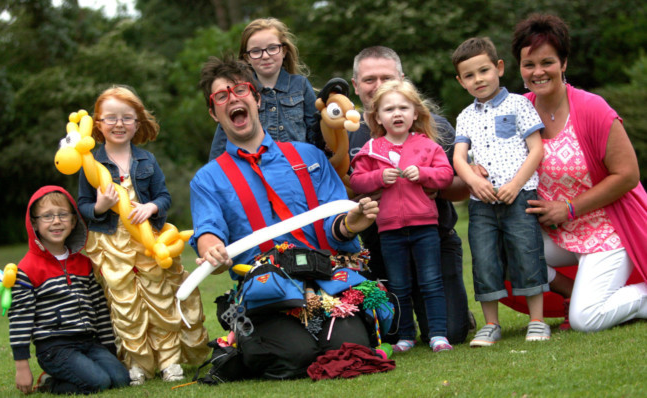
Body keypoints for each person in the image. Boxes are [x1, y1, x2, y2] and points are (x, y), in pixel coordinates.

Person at [190, 54, 380, 379]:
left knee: (351, 354)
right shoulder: (207, 179)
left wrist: (350, 225)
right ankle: (240, 341)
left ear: (256, 97)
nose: (233, 98)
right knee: (296, 359)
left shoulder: (308, 156)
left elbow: (334, 223)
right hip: (266, 292)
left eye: (240, 90)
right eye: (222, 95)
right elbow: (208, 232)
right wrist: (211, 250)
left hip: (324, 283)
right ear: (213, 112)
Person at [512, 14, 647, 332]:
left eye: (547, 62)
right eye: (529, 64)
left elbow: (627, 175)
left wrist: (569, 208)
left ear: (564, 63)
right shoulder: (517, 110)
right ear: (518, 67)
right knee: (502, 245)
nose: (538, 72)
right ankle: (575, 295)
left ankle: (641, 298)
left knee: (586, 321)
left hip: (609, 230)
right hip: (559, 235)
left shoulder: (593, 108)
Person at [77, 86, 208, 385]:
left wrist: (150, 207)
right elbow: (83, 207)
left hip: (148, 241)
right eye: (110, 118)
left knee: (161, 300)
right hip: (112, 244)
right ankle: (138, 363)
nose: (119, 124)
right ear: (98, 124)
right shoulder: (90, 163)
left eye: (127, 117)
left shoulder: (146, 159)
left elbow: (164, 197)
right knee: (125, 306)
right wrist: (101, 206)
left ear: (137, 122)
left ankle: (169, 360)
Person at [350, 46, 473, 346]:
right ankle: (406, 330)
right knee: (387, 328)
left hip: (433, 234)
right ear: (355, 85)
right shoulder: (348, 134)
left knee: (452, 331)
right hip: (380, 242)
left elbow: (460, 181)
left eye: (387, 77)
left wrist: (433, 183)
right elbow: (349, 182)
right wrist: (373, 183)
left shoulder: (434, 131)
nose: (379, 85)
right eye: (369, 79)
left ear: (403, 80)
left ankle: (450, 317)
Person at [451, 36, 550, 346]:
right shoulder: (465, 116)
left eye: (484, 71)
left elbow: (536, 150)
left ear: (499, 68)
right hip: (482, 203)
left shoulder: (520, 104)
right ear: (461, 81)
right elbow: (458, 156)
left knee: (527, 253)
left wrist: (515, 184)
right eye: (469, 75)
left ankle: (537, 320)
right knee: (484, 259)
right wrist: (473, 180)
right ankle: (491, 324)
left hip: (519, 197)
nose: (478, 79)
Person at [8, 186, 130, 394]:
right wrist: (22, 366)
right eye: (47, 216)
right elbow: (20, 319)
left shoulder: (84, 263)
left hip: (88, 343)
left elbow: (100, 309)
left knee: (120, 379)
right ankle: (49, 382)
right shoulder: (28, 269)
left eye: (63, 215)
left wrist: (109, 351)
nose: (56, 221)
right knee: (99, 382)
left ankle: (90, 369)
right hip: (55, 348)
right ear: (34, 223)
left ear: (74, 221)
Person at [207, 17, 318, 161]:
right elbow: (223, 138)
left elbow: (316, 132)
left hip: (300, 169)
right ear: (247, 58)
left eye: (272, 48)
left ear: (283, 51)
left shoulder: (300, 85)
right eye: (256, 51)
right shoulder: (240, 94)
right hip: (258, 173)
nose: (265, 56)